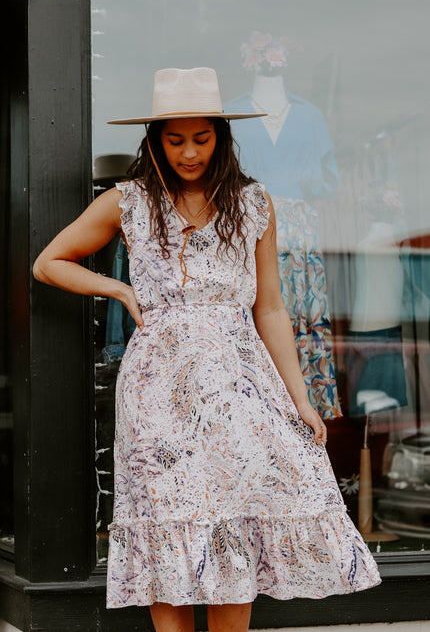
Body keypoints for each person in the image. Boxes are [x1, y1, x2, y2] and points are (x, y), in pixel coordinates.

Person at [33, 67, 380, 632]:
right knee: (166, 523)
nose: (188, 152)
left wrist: (302, 398)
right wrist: (119, 287)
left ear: (221, 135)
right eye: (174, 139)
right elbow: (49, 262)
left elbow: (269, 307)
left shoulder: (253, 204)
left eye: (201, 137)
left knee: (233, 523)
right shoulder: (128, 201)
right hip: (157, 391)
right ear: (154, 140)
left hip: (240, 383)